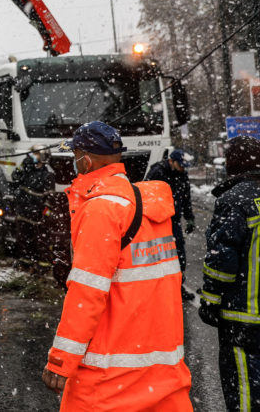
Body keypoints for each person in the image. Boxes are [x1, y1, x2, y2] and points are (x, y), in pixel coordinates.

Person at [41, 121, 192, 410]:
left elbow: (87, 292)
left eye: (76, 156)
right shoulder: (144, 204)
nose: (75, 163)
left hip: (109, 378)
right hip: (162, 371)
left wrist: (60, 360)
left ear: (85, 159)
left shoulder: (101, 209)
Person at [199, 135, 260, 412]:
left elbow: (221, 262)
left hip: (244, 319)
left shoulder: (234, 201)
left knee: (245, 391)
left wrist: (210, 300)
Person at [146, 148, 196, 300]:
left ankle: (178, 286)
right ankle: (157, 288)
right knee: (157, 254)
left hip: (173, 220)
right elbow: (147, 196)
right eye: (180, 165)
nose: (182, 168)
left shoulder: (182, 174)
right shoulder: (157, 172)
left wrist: (190, 218)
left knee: (179, 253)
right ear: (171, 161)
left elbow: (186, 198)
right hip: (157, 221)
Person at [12, 145, 54, 260]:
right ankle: (26, 262)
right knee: (24, 239)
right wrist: (22, 166)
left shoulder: (47, 175)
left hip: (37, 215)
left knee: (40, 241)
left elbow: (50, 200)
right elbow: (15, 177)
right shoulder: (27, 170)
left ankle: (42, 266)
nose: (33, 156)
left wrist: (45, 215)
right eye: (32, 154)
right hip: (24, 212)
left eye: (36, 154)